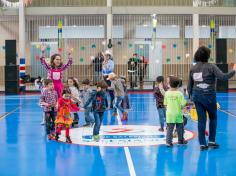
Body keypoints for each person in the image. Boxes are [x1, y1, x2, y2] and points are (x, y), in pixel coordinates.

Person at [187, 46, 236, 151]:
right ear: (207, 56)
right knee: (213, 118)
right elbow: (223, 77)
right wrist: (234, 70)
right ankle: (211, 141)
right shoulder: (211, 67)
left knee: (201, 120)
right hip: (209, 96)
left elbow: (189, 85)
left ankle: (202, 144)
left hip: (197, 96)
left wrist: (191, 97)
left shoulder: (193, 68)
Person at [164, 76, 188, 147]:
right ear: (178, 85)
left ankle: (168, 142)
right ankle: (180, 141)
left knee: (169, 129)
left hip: (169, 114)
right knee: (180, 128)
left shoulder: (167, 93)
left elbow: (165, 104)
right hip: (178, 114)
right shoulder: (179, 94)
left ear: (169, 84)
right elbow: (183, 104)